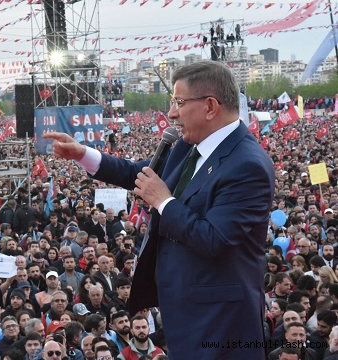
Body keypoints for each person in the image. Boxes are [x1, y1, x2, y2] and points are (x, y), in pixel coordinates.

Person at [44, 60, 275, 359]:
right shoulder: (189, 147)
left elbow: (217, 239)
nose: (171, 113)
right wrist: (83, 154)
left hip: (221, 320)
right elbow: (139, 173)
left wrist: (164, 201)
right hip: (185, 309)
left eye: (179, 102)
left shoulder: (247, 165)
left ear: (209, 107)